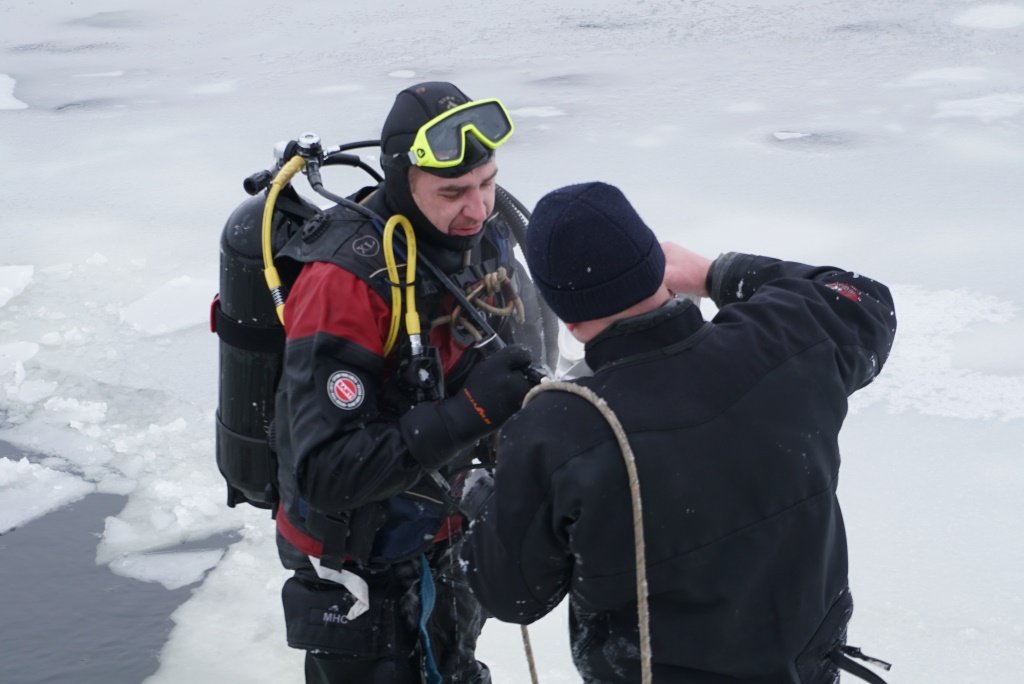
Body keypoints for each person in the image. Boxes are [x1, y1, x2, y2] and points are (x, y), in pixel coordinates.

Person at [462, 181, 898, 683]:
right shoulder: (787, 335)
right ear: (658, 263)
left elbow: (512, 593)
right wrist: (718, 273)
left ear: (568, 318)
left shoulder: (562, 428)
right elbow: (864, 299)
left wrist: (478, 493)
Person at [271, 81, 541, 683]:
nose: (477, 208)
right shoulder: (345, 281)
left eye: (488, 183)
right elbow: (327, 473)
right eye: (452, 192)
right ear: (403, 179)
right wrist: (472, 410)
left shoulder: (487, 235)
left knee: (454, 666)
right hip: (361, 565)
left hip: (447, 531)